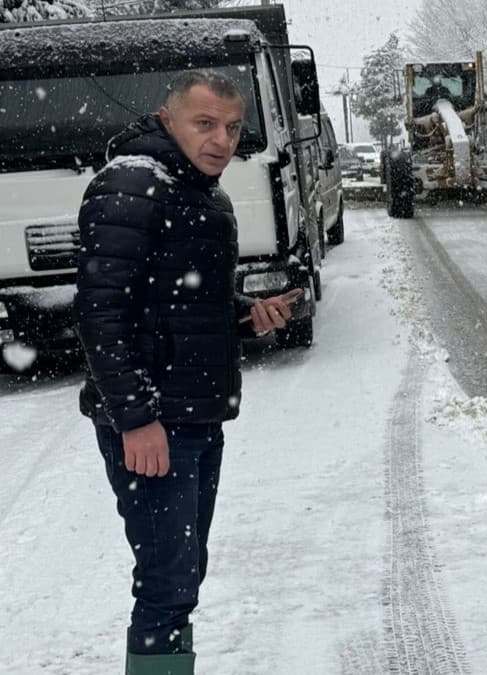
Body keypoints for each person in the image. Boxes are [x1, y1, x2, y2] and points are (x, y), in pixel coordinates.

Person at [74, 70, 300, 674]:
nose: (222, 140)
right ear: (167, 119)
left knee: (182, 574)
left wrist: (248, 315)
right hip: (156, 422)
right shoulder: (132, 185)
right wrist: (136, 419)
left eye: (233, 127)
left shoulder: (201, 193)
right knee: (167, 582)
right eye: (205, 123)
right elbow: (101, 313)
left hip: (195, 416)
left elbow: (185, 302)